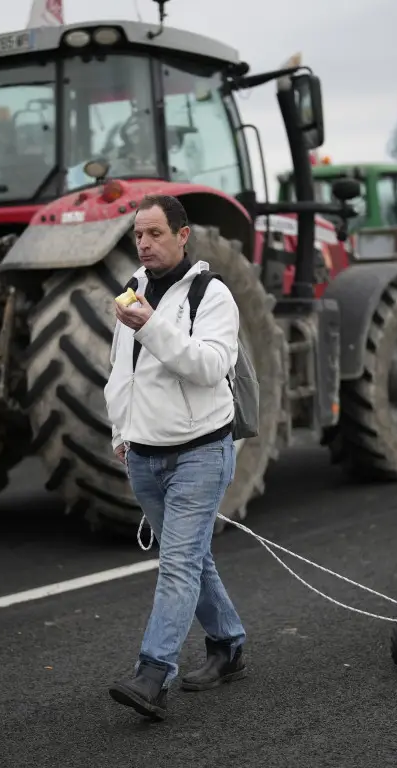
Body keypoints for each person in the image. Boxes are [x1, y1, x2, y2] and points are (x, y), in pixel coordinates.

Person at [104, 193, 247, 720]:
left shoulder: (213, 295)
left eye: (155, 233)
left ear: (183, 235)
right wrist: (122, 431)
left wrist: (151, 326)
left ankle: (151, 674)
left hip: (200, 452)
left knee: (179, 564)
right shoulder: (132, 292)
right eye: (138, 235)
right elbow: (122, 371)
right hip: (143, 455)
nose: (143, 244)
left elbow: (209, 367)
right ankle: (228, 644)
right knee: (193, 558)